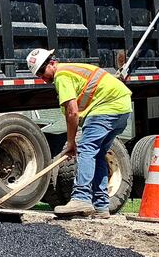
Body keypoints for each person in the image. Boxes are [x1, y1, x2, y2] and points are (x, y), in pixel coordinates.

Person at [26, 48, 132, 218]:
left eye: (42, 71)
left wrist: (71, 143)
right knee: (97, 155)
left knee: (86, 149)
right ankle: (101, 206)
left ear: (52, 63)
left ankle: (81, 197)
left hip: (107, 106)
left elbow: (72, 113)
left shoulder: (62, 75)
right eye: (38, 75)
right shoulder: (70, 71)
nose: (42, 78)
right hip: (121, 108)